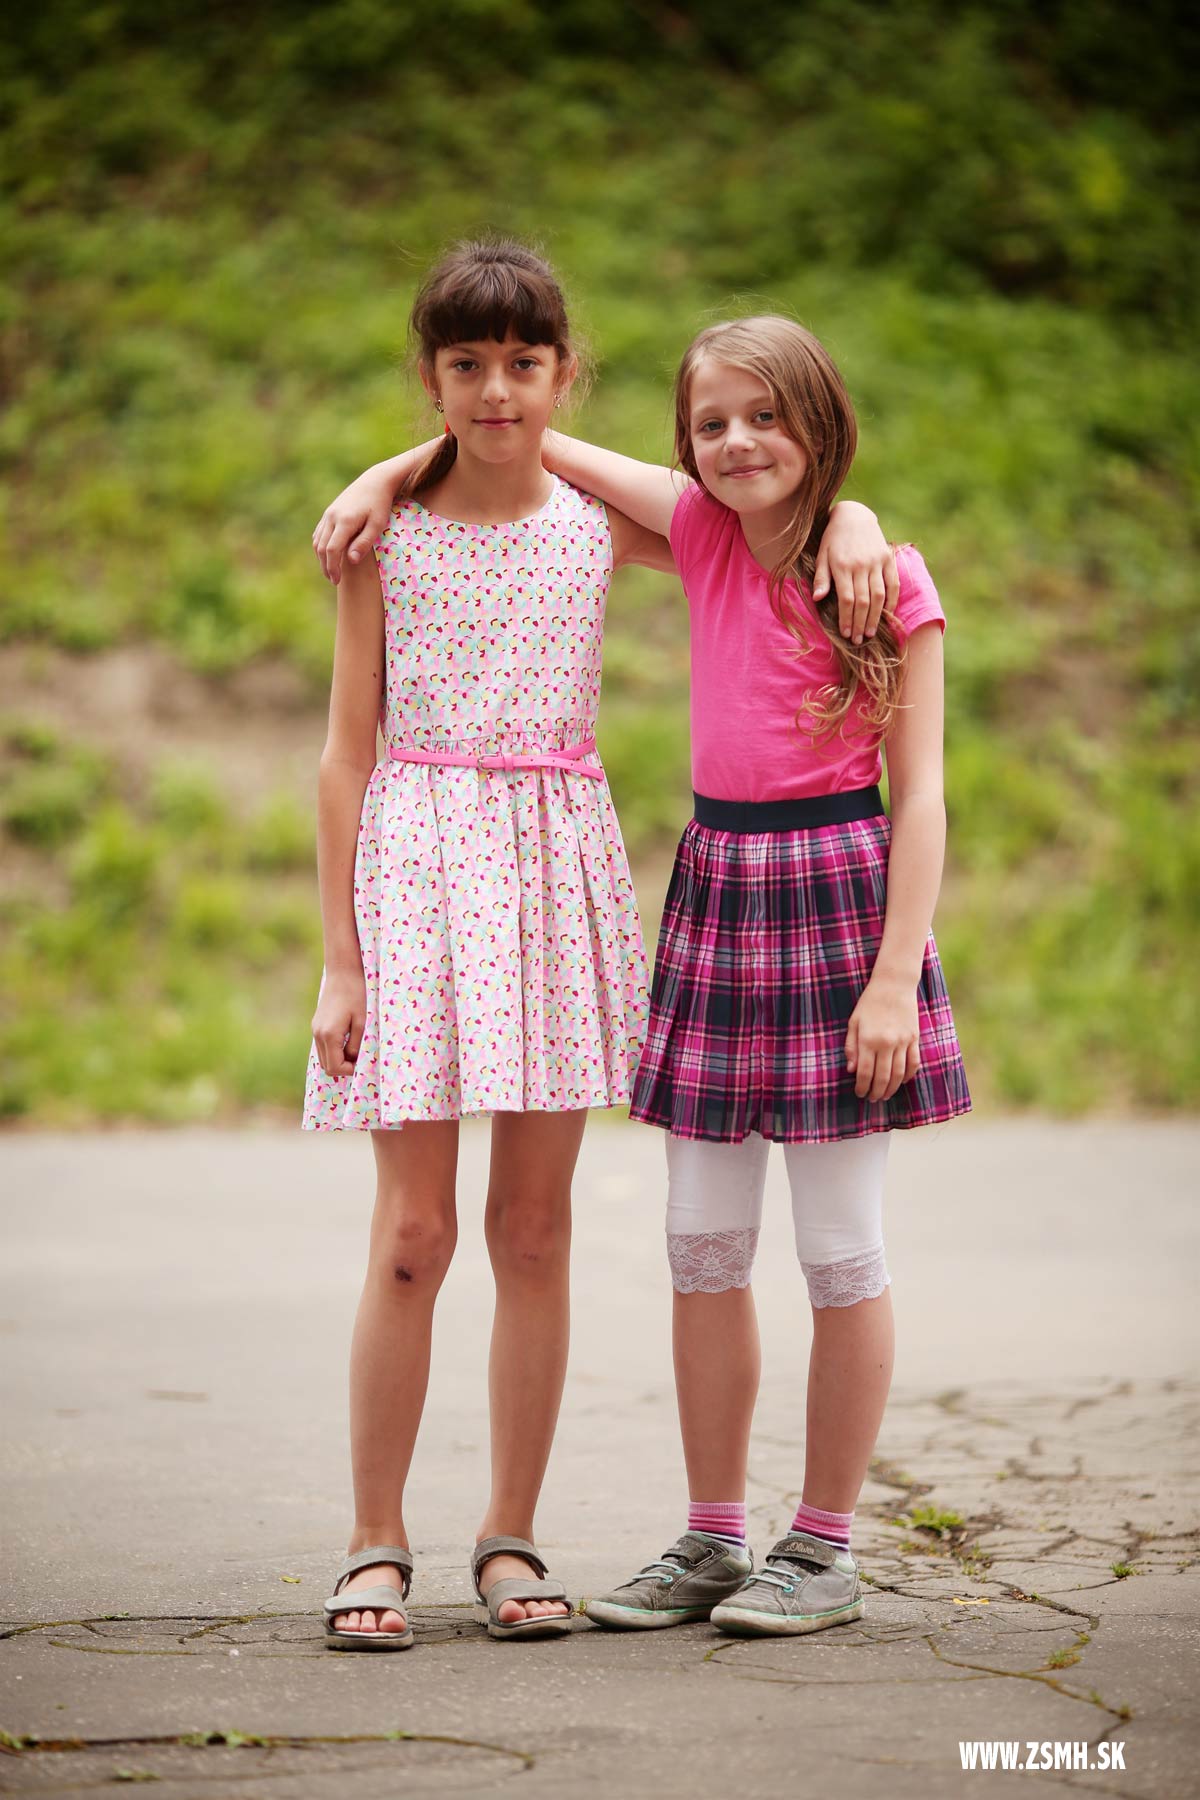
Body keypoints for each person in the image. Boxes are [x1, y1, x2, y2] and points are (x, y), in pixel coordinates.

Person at [308, 259, 902, 1649]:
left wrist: (862, 511)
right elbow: (342, 752)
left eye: (524, 363)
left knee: (534, 1229)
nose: (495, 390)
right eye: (466, 366)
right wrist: (341, 957)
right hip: (415, 871)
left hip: (553, 872)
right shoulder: (385, 538)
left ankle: (510, 1539)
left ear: (564, 376)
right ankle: (374, 1538)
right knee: (413, 1234)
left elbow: (769, 520)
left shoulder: (599, 528)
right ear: (430, 379)